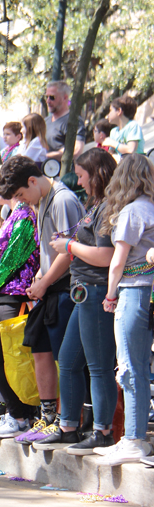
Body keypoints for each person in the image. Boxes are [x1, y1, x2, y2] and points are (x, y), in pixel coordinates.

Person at [34, 149, 118, 451]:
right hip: (84, 291)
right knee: (68, 362)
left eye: (82, 176)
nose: (80, 182)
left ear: (97, 174)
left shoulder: (110, 207)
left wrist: (69, 245)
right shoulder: (96, 204)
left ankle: (103, 430)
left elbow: (106, 255)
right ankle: (68, 426)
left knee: (98, 366)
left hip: (96, 291)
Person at [0, 156, 84, 438]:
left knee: (65, 359)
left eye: (22, 194)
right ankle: (47, 417)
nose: (23, 202)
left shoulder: (62, 200)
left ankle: (67, 419)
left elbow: (70, 250)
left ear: (33, 180)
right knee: (40, 350)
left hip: (67, 289)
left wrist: (44, 281)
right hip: (49, 288)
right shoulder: (43, 200)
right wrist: (40, 278)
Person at [99, 154, 154, 465]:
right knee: (141, 368)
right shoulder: (151, 208)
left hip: (134, 292)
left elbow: (117, 261)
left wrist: (109, 294)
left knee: (130, 369)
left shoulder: (132, 212)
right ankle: (135, 437)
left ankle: (133, 438)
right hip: (149, 292)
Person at [0, 185, 39, 435]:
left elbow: (11, 261)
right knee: (2, 360)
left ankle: (20, 414)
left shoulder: (24, 216)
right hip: (4, 294)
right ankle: (17, 413)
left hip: (16, 295)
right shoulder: (11, 215)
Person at [44, 80, 87, 160]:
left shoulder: (74, 121)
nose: (48, 101)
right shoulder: (45, 121)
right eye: (46, 97)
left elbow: (76, 151)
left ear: (65, 97)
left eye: (52, 97)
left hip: (62, 170)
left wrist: (46, 156)